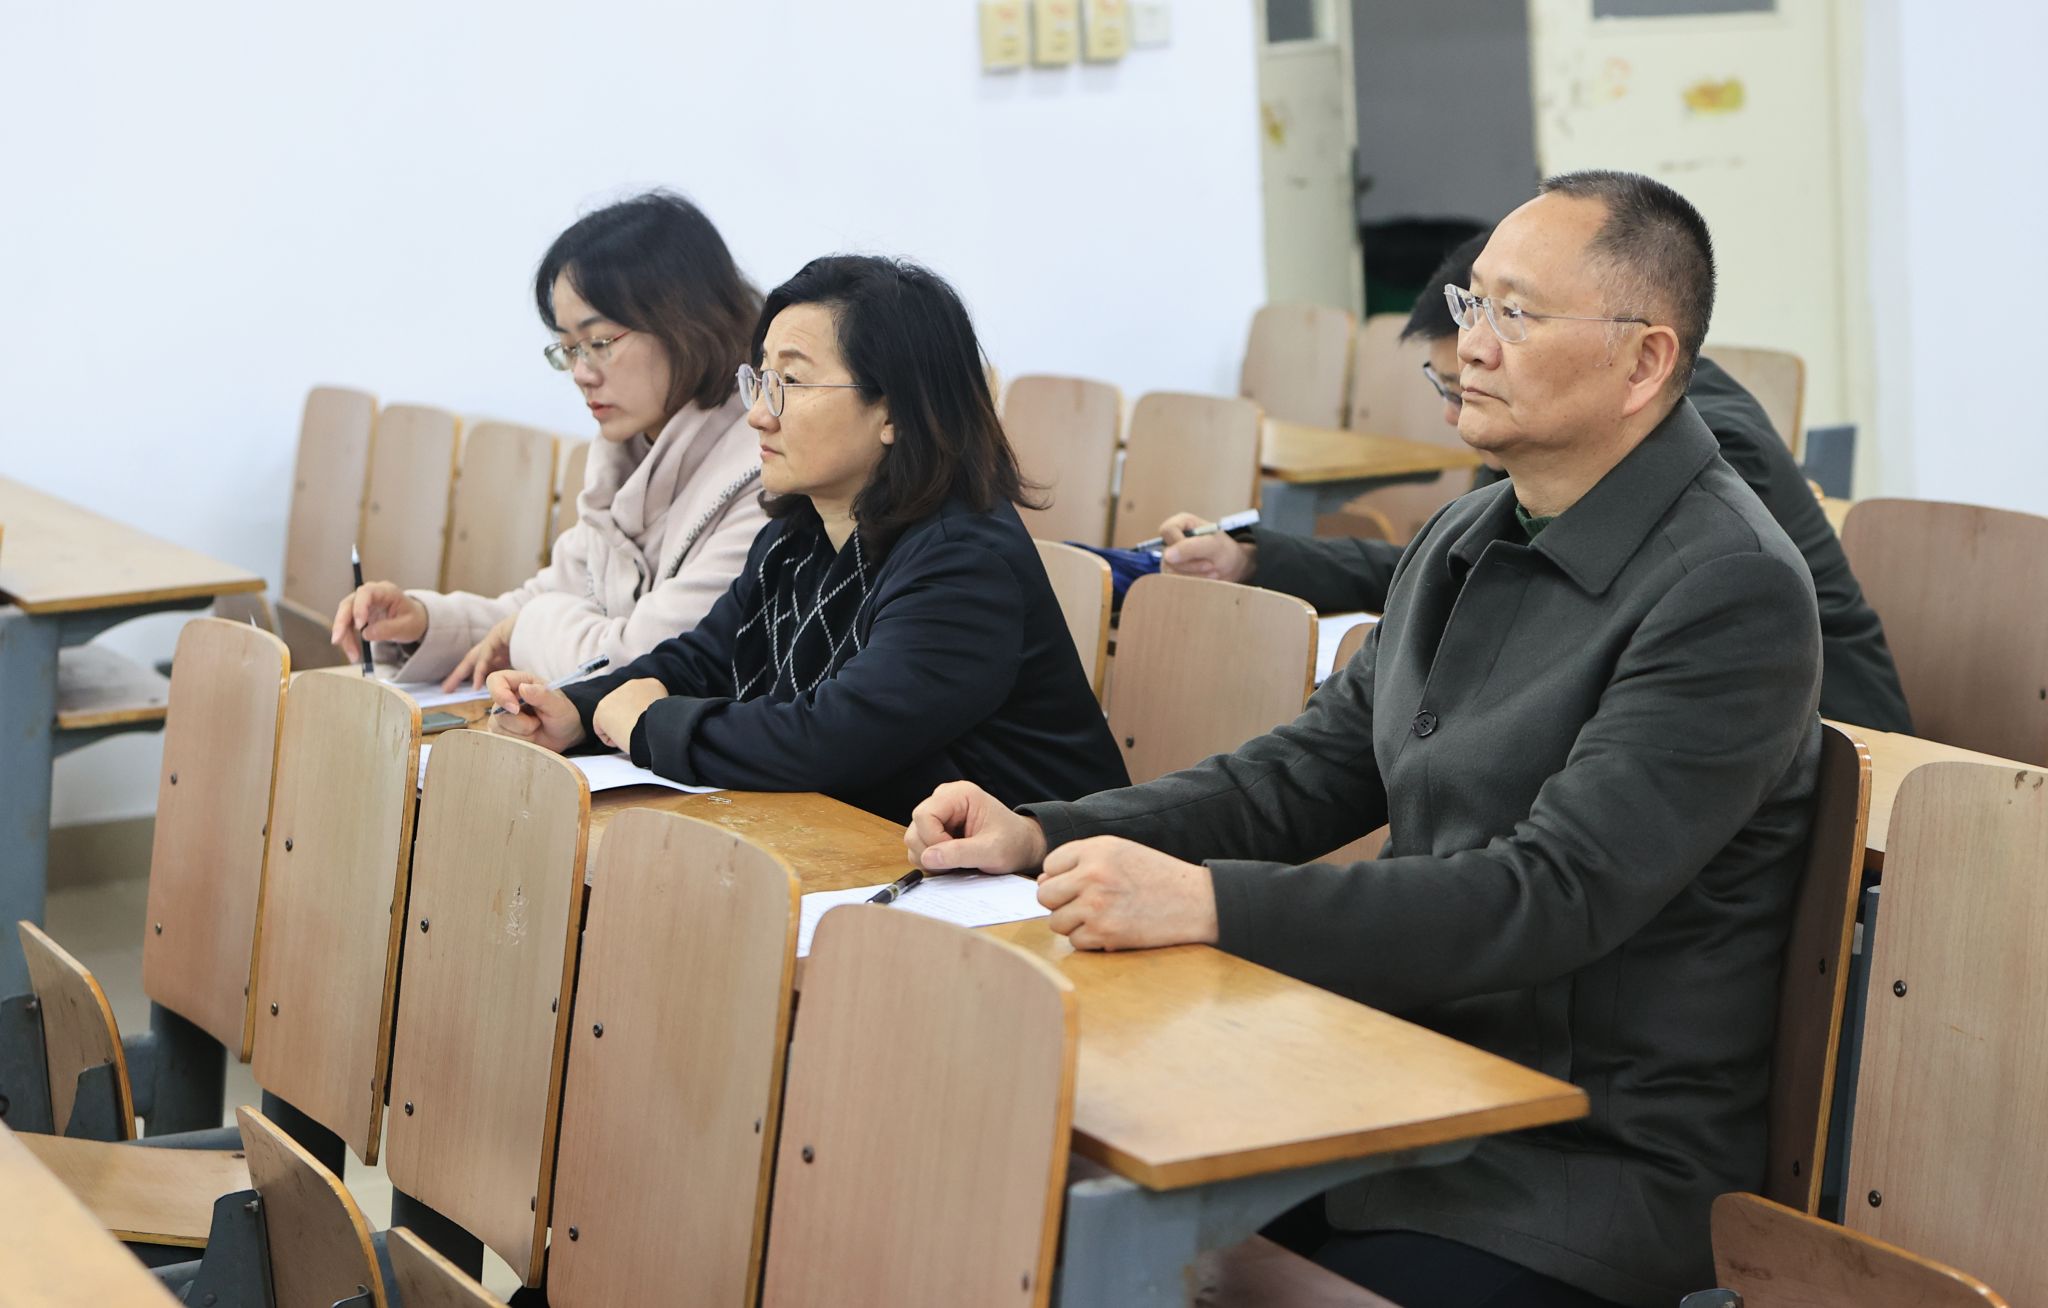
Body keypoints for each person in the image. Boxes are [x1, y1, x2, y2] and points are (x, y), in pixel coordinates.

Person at [907, 173, 1821, 1308]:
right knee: (1028, 1187)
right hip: (1393, 1083)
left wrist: (1208, 903)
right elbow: (1301, 775)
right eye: (1473, 303)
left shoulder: (1728, 588)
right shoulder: (1466, 531)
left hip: (1578, 1164)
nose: (1468, 343)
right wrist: (1042, 831)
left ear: (1643, 362)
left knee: (1144, 1260)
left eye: (1515, 314)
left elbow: (1550, 895)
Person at [1160, 232, 1913, 734]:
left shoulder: (1708, 460)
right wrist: (1259, 558)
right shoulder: (1553, 432)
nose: (1470, 378)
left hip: (1819, 732)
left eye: (1510, 319)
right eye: (1449, 372)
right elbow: (1464, 570)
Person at [486, 255, 1129, 823]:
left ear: (893, 410)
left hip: (1033, 894)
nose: (757, 414)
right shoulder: (798, 534)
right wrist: (577, 709)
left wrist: (650, 726)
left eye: (790, 384)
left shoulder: (964, 563)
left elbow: (833, 739)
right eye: (760, 380)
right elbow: (704, 662)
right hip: (877, 860)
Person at [331, 190, 769, 690]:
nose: (580, 373)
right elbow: (544, 600)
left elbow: (645, 662)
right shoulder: (626, 457)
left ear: (687, 323)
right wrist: (423, 621)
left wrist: (528, 627)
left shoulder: (762, 471)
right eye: (567, 349)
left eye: (599, 342)